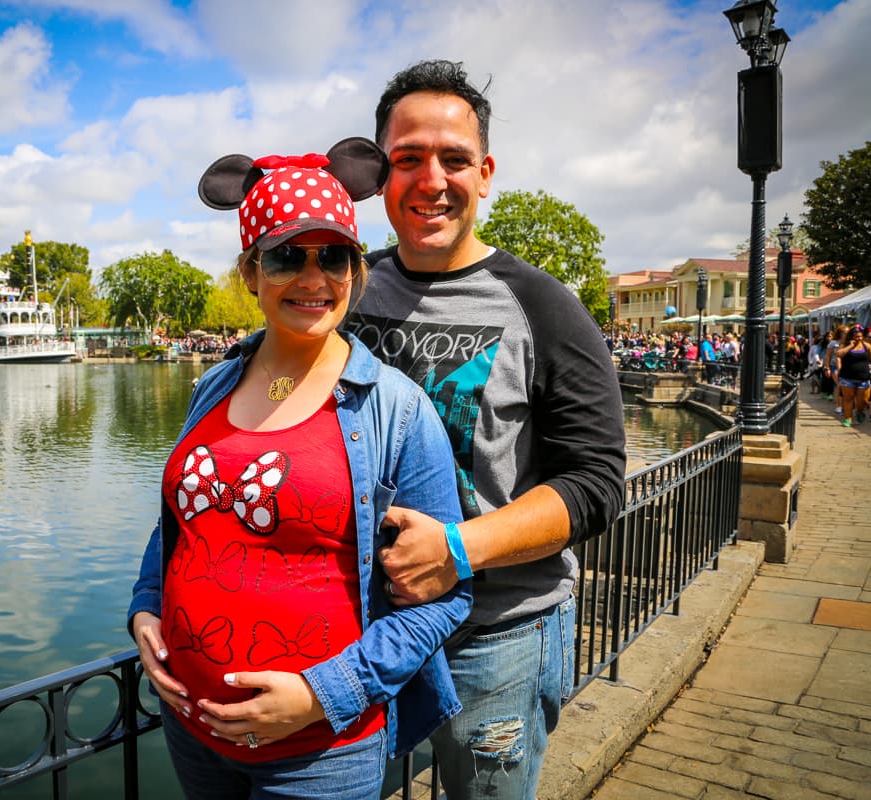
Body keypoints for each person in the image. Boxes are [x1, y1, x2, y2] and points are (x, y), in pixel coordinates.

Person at [129, 138, 472, 800]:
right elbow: (180, 522)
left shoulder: (395, 409)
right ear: (250, 272)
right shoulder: (214, 388)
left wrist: (323, 693)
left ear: (355, 270)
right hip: (193, 729)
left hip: (320, 753)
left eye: (335, 258)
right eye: (288, 256)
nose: (314, 280)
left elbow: (446, 595)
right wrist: (145, 609)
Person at [342, 60, 626, 799]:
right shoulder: (341, 288)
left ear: (486, 172)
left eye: (454, 159)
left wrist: (459, 550)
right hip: (359, 637)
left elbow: (596, 485)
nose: (431, 180)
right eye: (408, 159)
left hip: (497, 642)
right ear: (379, 174)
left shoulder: (545, 307)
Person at [835, 325, 871, 427]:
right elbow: (839, 354)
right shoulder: (844, 345)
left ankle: (859, 411)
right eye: (856, 336)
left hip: (863, 378)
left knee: (863, 401)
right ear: (851, 336)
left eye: (860, 336)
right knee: (848, 399)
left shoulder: (867, 346)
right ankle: (848, 418)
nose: (858, 338)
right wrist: (850, 346)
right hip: (847, 378)